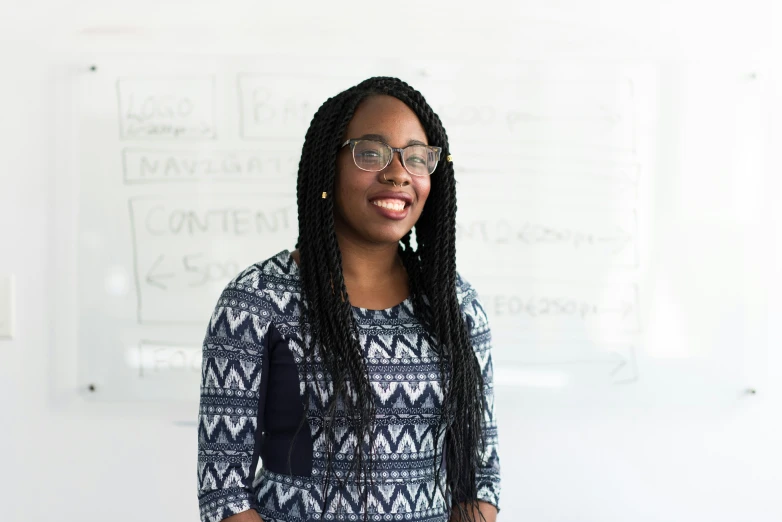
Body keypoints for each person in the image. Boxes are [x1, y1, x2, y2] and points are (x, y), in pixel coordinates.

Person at [197, 77, 501, 522]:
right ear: (328, 165)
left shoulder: (455, 305)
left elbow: (479, 478)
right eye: (371, 152)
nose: (398, 173)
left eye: (417, 157)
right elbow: (223, 493)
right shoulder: (258, 302)